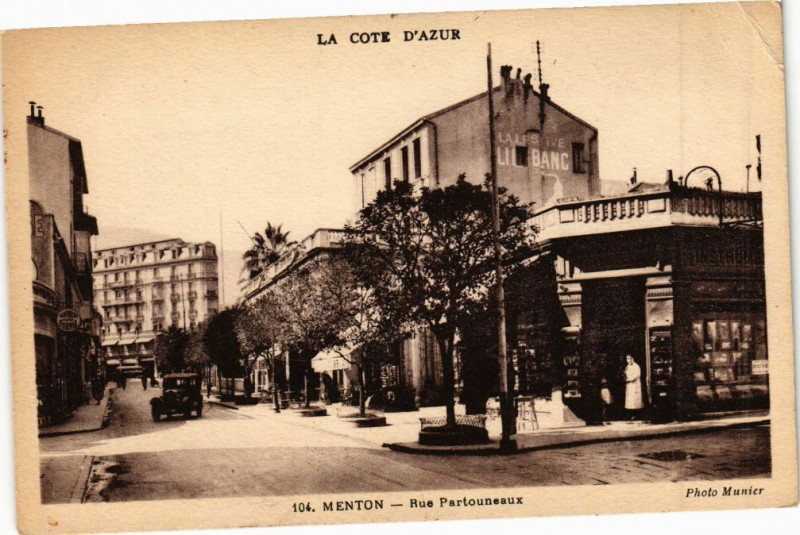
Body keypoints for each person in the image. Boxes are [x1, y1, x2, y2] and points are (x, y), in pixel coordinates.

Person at [624, 354, 643, 420]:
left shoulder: (636, 366)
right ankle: (630, 414)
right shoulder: (627, 366)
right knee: (630, 401)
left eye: (630, 358)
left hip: (635, 385)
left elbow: (637, 375)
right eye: (627, 359)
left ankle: (636, 415)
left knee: (635, 401)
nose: (629, 360)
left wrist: (629, 379)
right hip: (629, 386)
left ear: (633, 358)